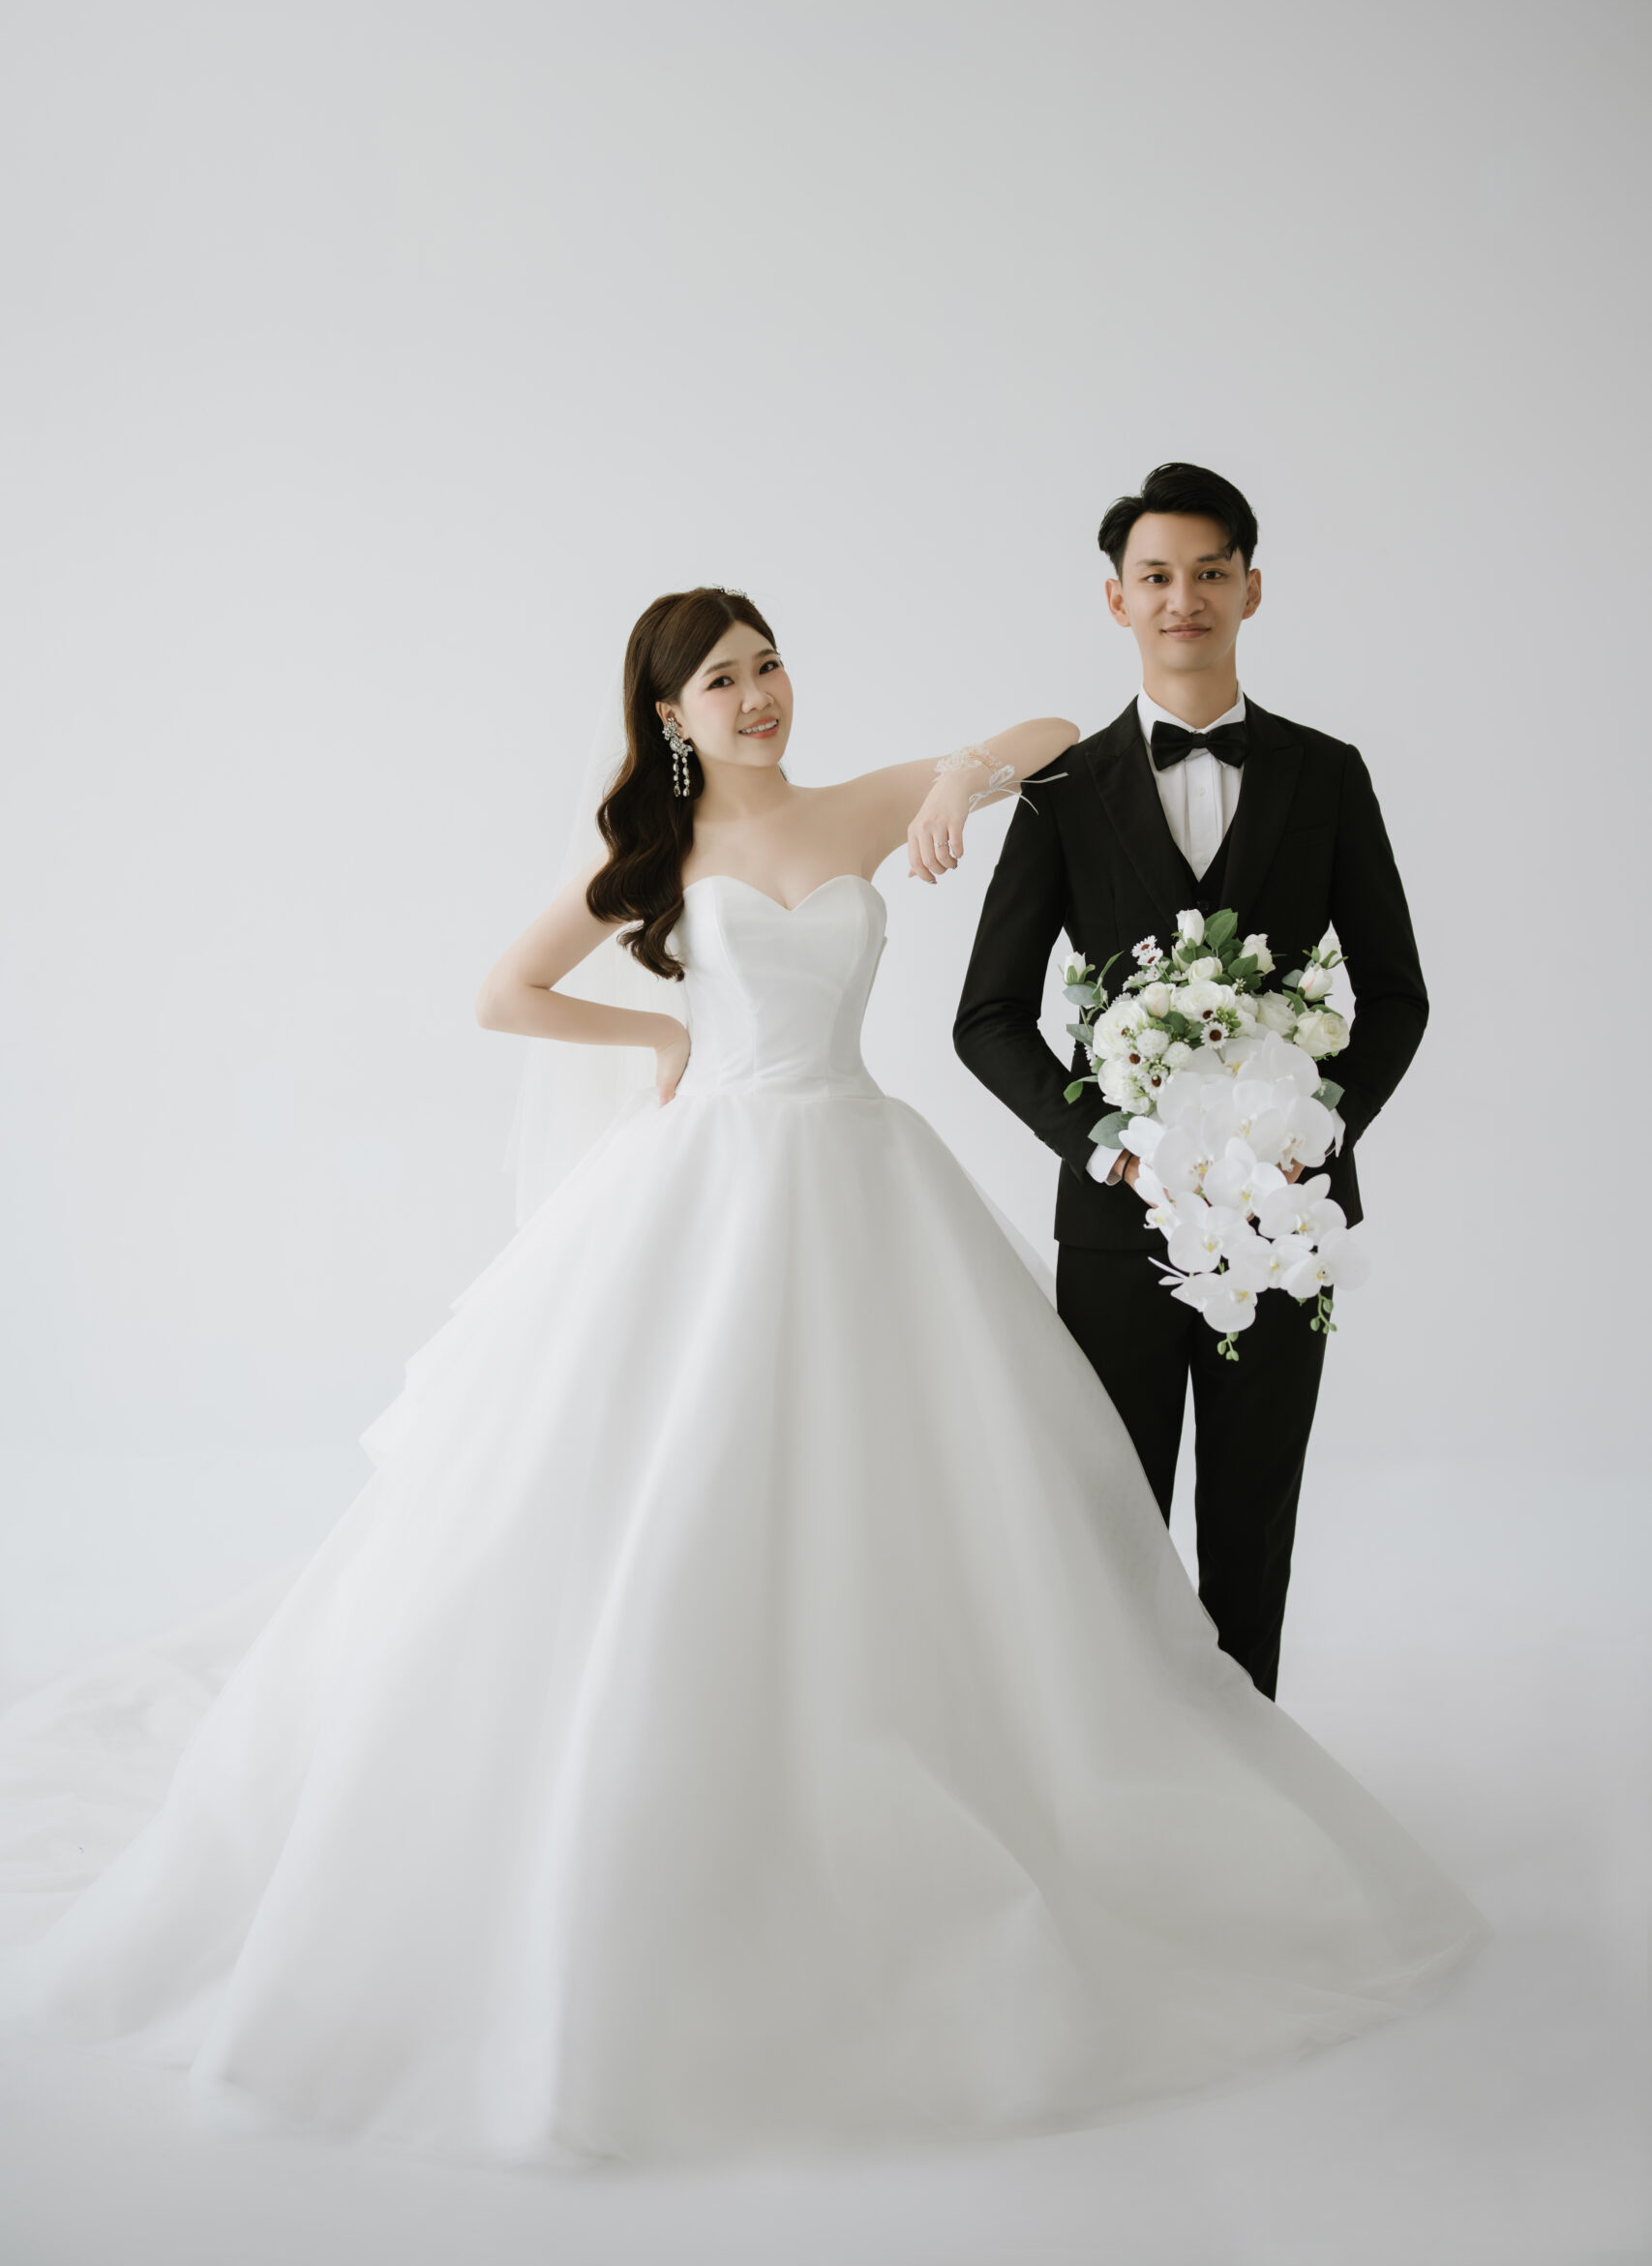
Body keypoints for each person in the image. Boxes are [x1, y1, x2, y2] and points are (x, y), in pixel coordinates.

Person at [0, 586, 1483, 2166]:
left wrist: (955, 776)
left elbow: (1056, 737)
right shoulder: (654, 851)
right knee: (670, 1492)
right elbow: (503, 992)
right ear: (670, 715)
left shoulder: (857, 807)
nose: (760, 695)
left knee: (906, 1502)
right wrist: (656, 1047)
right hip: (713, 1186)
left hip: (863, 1176)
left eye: (769, 665)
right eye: (722, 680)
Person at [954, 464, 1428, 1700]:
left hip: (1285, 1220)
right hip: (1119, 1227)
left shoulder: (1328, 774)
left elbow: (1398, 994)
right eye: (1157, 576)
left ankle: (1249, 1779)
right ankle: (1119, 1781)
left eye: (1210, 572)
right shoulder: (1064, 791)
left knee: (1252, 1529)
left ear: (1251, 589)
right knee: (1110, 1530)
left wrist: (1316, 1131)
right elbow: (986, 1016)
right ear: (1117, 599)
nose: (1185, 599)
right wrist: (1105, 1144)